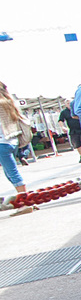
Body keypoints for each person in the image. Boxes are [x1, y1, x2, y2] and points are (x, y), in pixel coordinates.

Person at [0, 82, 34, 213]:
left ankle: (26, 202)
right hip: (12, 141)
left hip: (2, 143)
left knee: (12, 173)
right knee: (10, 173)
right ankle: (25, 200)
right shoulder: (8, 101)